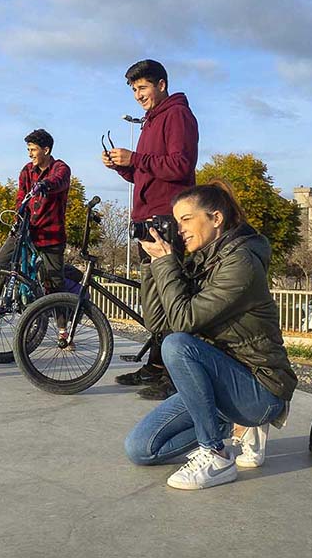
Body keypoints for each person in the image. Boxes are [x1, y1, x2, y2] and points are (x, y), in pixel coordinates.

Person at [123, 181, 296, 490]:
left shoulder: (241, 263)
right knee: (140, 449)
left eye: (186, 219)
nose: (179, 229)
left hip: (260, 387)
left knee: (178, 346)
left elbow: (183, 322)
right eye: (176, 222)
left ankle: (215, 454)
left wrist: (166, 264)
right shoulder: (199, 261)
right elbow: (160, 324)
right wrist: (153, 265)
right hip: (217, 387)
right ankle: (229, 426)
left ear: (216, 219)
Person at [102, 58, 199, 400]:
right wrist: (122, 166)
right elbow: (146, 172)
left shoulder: (177, 115)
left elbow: (181, 165)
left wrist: (137, 159)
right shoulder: (150, 121)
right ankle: (157, 366)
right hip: (147, 220)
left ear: (161, 84)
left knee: (170, 300)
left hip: (169, 219)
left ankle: (177, 376)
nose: (138, 95)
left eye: (142, 88)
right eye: (133, 90)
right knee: (153, 301)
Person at [0, 129, 71, 336]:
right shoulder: (26, 171)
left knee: (54, 282)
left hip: (51, 234)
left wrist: (44, 185)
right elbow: (20, 198)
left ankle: (62, 330)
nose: (30, 154)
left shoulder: (61, 168)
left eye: (33, 149)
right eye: (28, 149)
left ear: (46, 150)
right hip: (24, 230)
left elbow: (59, 182)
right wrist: (17, 220)